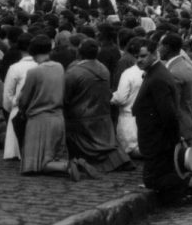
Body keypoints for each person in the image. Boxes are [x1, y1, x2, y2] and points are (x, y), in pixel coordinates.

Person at [133, 38, 192, 205]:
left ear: (154, 53)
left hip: (157, 139)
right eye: (137, 56)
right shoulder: (156, 72)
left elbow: (168, 113)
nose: (139, 60)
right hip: (156, 137)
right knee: (163, 173)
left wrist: (172, 140)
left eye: (143, 56)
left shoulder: (158, 77)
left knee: (152, 180)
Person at [17, 35, 96, 180]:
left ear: (33, 52)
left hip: (38, 121)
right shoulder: (59, 67)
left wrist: (21, 105)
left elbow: (24, 99)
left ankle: (67, 166)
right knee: (53, 156)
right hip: (58, 118)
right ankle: (75, 163)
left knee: (35, 166)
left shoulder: (33, 72)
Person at [64, 39, 133, 173]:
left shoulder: (73, 72)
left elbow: (65, 96)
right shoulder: (103, 68)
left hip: (81, 119)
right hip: (101, 115)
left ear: (79, 52)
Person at [2, 33, 37, 160]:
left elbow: (7, 95)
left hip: (18, 110)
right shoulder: (41, 66)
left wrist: (11, 107)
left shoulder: (15, 68)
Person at [160, 33, 192, 141]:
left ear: (167, 48)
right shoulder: (187, 65)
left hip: (178, 128)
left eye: (160, 46)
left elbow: (172, 106)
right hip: (189, 121)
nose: (158, 49)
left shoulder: (173, 72)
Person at [111, 38, 145, 157]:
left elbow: (120, 98)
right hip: (144, 120)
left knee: (131, 150)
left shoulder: (128, 73)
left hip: (128, 120)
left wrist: (110, 97)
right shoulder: (154, 71)